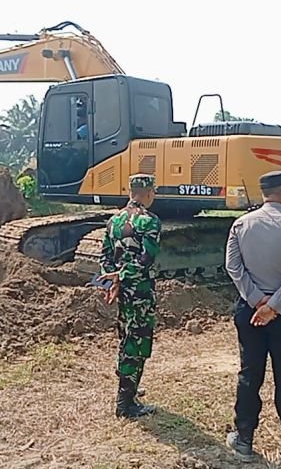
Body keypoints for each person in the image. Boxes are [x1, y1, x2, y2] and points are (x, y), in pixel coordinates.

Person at [224, 170, 281, 463]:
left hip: (250, 313)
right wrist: (274, 306)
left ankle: (244, 440)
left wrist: (257, 300)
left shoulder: (240, 225)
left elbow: (233, 267)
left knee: (250, 374)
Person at [98, 173, 161, 419]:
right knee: (136, 343)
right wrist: (122, 277)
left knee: (126, 337)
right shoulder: (150, 221)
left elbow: (105, 257)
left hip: (122, 291)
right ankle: (125, 404)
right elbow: (146, 260)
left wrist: (112, 279)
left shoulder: (113, 221)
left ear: (130, 191)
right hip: (140, 292)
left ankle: (130, 388)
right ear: (148, 193)